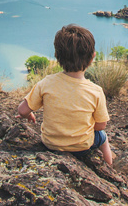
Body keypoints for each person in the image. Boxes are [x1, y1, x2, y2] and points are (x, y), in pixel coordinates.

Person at [16, 24, 114, 165]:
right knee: (103, 138)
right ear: (92, 57)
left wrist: (28, 115)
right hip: (81, 147)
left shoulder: (46, 83)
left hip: (50, 144)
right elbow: (101, 126)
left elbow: (22, 110)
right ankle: (108, 168)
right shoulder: (96, 91)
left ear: (57, 56)